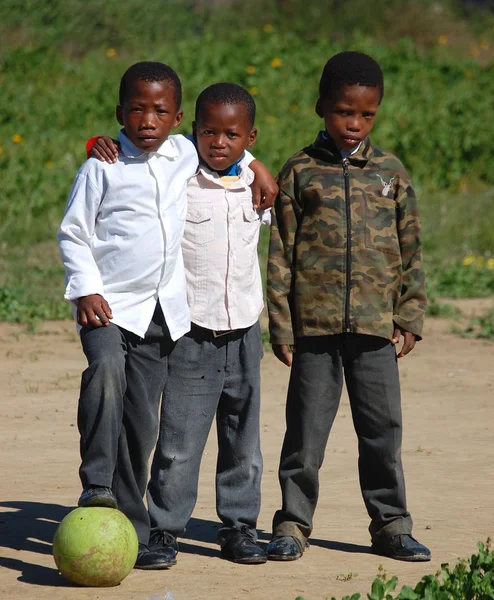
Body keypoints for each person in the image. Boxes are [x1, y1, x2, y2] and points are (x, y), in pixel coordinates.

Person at [58, 62, 276, 571]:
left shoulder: (183, 153)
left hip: (162, 314)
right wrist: (86, 290)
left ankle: (132, 528)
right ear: (119, 114)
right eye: (137, 109)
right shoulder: (101, 167)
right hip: (109, 308)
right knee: (107, 373)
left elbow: (227, 146)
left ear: (177, 119)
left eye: (159, 111)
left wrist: (258, 165)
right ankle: (96, 484)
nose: (148, 120)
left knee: (142, 424)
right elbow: (74, 232)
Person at [265, 51, 431, 563]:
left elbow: (411, 251)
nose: (354, 124)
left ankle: (391, 526)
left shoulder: (391, 173)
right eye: (343, 112)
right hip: (313, 330)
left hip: (376, 328)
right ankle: (292, 525)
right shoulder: (299, 171)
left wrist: (409, 316)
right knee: (305, 435)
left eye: (366, 115)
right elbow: (280, 255)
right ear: (322, 108)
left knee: (382, 433)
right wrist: (281, 325)